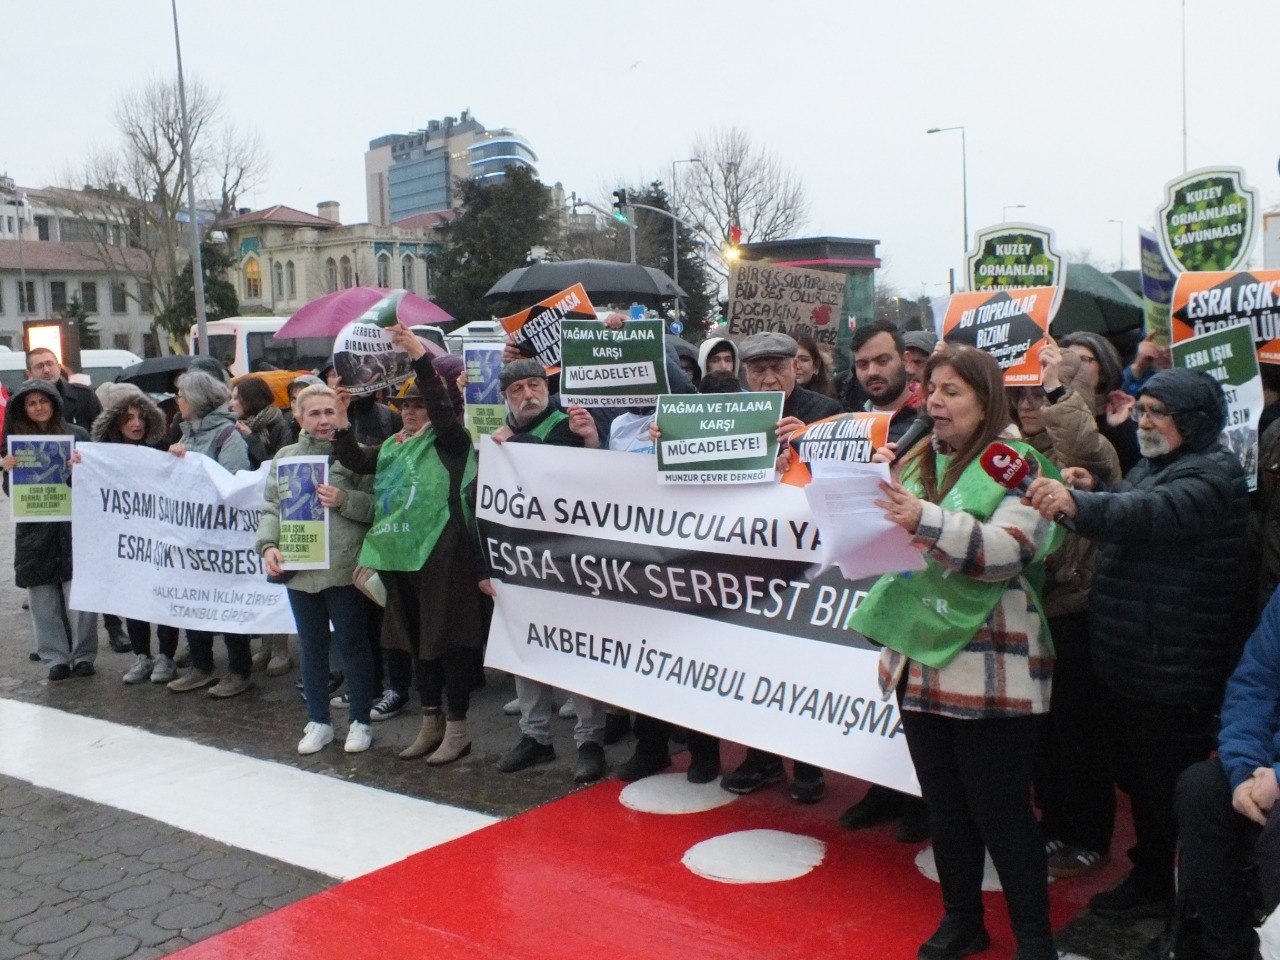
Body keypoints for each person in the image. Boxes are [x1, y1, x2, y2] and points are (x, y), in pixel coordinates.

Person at [851, 344, 1065, 960]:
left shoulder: (1018, 464)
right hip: (919, 661)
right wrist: (871, 495)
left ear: (986, 399)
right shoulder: (917, 457)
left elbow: (1007, 551)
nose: (936, 403)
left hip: (991, 665)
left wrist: (920, 517)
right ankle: (962, 919)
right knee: (945, 808)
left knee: (1003, 814)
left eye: (952, 392)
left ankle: (1034, 940)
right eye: (932, 391)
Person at [1026, 367, 1251, 923]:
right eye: (1142, 410)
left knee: (1162, 786)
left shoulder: (1212, 477)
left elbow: (1145, 514)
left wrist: (1078, 504)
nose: (1143, 423)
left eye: (1156, 413)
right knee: (1141, 778)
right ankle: (1155, 874)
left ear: (1193, 422)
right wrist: (1091, 490)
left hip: (1172, 666)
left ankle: (1164, 886)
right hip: (1137, 657)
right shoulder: (1158, 465)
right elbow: (1126, 504)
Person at [333, 326, 492, 767]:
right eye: (404, 406)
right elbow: (355, 459)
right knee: (414, 641)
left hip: (445, 556)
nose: (410, 412)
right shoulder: (393, 446)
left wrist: (419, 356)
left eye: (418, 405)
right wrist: (341, 418)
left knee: (448, 642)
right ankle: (430, 721)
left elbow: (442, 407)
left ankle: (458, 729)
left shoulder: (452, 442)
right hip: (401, 556)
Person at [1013, 343, 1123, 879]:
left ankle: (1089, 833)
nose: (1029, 404)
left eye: (1041, 394)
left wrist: (1058, 387)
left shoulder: (1088, 452)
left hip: (1075, 607)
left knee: (1079, 729)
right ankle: (1053, 821)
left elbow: (1083, 447)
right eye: (1021, 395)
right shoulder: (1008, 448)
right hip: (1028, 603)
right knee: (1042, 730)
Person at [719, 331, 841, 804]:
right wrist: (668, 440)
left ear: (796, 368)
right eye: (758, 370)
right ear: (745, 375)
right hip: (751, 555)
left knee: (804, 660)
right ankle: (762, 757)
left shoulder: (826, 411)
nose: (769, 378)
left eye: (778, 368)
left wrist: (808, 443)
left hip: (808, 560)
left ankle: (808, 764)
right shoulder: (730, 412)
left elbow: (847, 477)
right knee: (755, 657)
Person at [491, 358, 612, 783]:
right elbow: (480, 501)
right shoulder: (498, 438)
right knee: (526, 650)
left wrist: (514, 442)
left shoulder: (569, 426)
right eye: (517, 389)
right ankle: (535, 736)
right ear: (505, 397)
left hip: (569, 560)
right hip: (518, 561)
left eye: (534, 385)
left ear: (547, 387)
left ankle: (590, 741)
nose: (528, 395)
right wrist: (485, 564)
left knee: (578, 649)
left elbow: (573, 474)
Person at [835, 319, 928, 840]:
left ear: (905, 362)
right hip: (863, 574)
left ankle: (924, 796)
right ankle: (886, 786)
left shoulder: (930, 420)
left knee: (916, 690)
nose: (873, 371)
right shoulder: (845, 422)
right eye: (863, 364)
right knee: (876, 686)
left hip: (918, 575)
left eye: (882, 360)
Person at [258, 383, 377, 755]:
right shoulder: (285, 456)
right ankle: (319, 721)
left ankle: (360, 721)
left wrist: (344, 500)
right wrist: (268, 545)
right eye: (314, 413)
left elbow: (377, 506)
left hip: (343, 568)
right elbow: (272, 507)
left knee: (353, 645)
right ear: (298, 417)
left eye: (330, 412)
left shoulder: (355, 454)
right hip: (300, 567)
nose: (324, 420)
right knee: (311, 648)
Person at [1168, 587, 1280, 960]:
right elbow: (1255, 686)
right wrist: (1244, 770)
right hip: (1267, 764)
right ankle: (1228, 948)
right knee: (1200, 789)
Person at [165, 370, 256, 699]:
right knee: (194, 602)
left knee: (227, 604)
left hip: (222, 539)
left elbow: (234, 482)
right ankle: (201, 666)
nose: (177, 401)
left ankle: (239, 671)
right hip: (193, 537)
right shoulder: (186, 433)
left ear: (196, 400)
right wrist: (178, 459)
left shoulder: (228, 435)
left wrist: (194, 465)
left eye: (181, 396)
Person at [1, 379, 97, 681]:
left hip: (74, 528)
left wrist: (81, 467)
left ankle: (84, 655)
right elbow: (12, 493)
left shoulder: (78, 435)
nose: (39, 407)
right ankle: (55, 658)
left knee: (80, 597)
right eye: (31, 403)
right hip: (35, 532)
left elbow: (95, 482)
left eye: (43, 401)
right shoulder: (15, 442)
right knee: (42, 599)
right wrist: (8, 471)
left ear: (55, 403)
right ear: (23, 409)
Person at [91, 384, 181, 685]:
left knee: (163, 596)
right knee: (133, 598)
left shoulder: (162, 447)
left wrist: (178, 454)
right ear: (115, 420)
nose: (137, 423)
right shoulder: (103, 455)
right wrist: (78, 466)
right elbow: (79, 486)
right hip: (125, 540)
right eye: (129, 417)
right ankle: (142, 655)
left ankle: (166, 656)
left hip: (160, 537)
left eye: (141, 416)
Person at [1058, 331, 1141, 474]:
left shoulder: (1121, 418)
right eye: (1068, 360)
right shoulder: (1052, 412)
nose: (1073, 366)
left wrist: (1121, 428)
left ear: (1103, 373)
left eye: (1083, 360)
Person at [18, 347, 102, 432]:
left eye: (50, 364)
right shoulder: (20, 402)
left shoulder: (84, 396)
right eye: (39, 366)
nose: (46, 370)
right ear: (29, 373)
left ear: (59, 367)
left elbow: (101, 432)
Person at [794, 332, 837, 398]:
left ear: (816, 365)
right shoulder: (776, 398)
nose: (796, 366)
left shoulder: (828, 402)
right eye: (789, 360)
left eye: (803, 360)